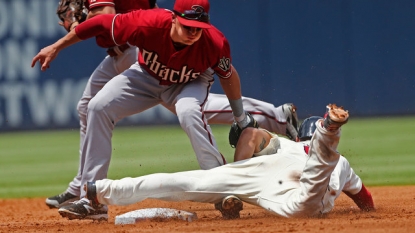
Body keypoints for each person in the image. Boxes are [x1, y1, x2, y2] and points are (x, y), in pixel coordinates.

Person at [32, 0, 260, 220]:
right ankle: (92, 202)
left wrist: (240, 117)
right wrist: (56, 47)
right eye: (188, 26)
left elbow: (228, 77)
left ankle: (221, 188)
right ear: (173, 18)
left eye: (199, 28)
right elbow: (101, 23)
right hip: (146, 75)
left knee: (188, 111)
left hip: (191, 81)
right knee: (97, 106)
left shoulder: (215, 42)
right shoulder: (146, 22)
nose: (193, 33)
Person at [79, 103, 375, 221]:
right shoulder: (341, 163)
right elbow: (364, 196)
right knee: (315, 183)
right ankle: (329, 130)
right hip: (295, 195)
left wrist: (234, 171)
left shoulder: (285, 142)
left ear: (301, 137)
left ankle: (100, 188)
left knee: (183, 181)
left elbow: (249, 134)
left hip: (265, 177)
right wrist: (370, 212)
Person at [43, 0, 159, 210]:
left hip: (136, 51)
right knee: (87, 106)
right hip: (124, 51)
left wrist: (78, 25)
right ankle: (81, 187)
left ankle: (238, 113)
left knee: (182, 104)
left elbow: (106, 16)